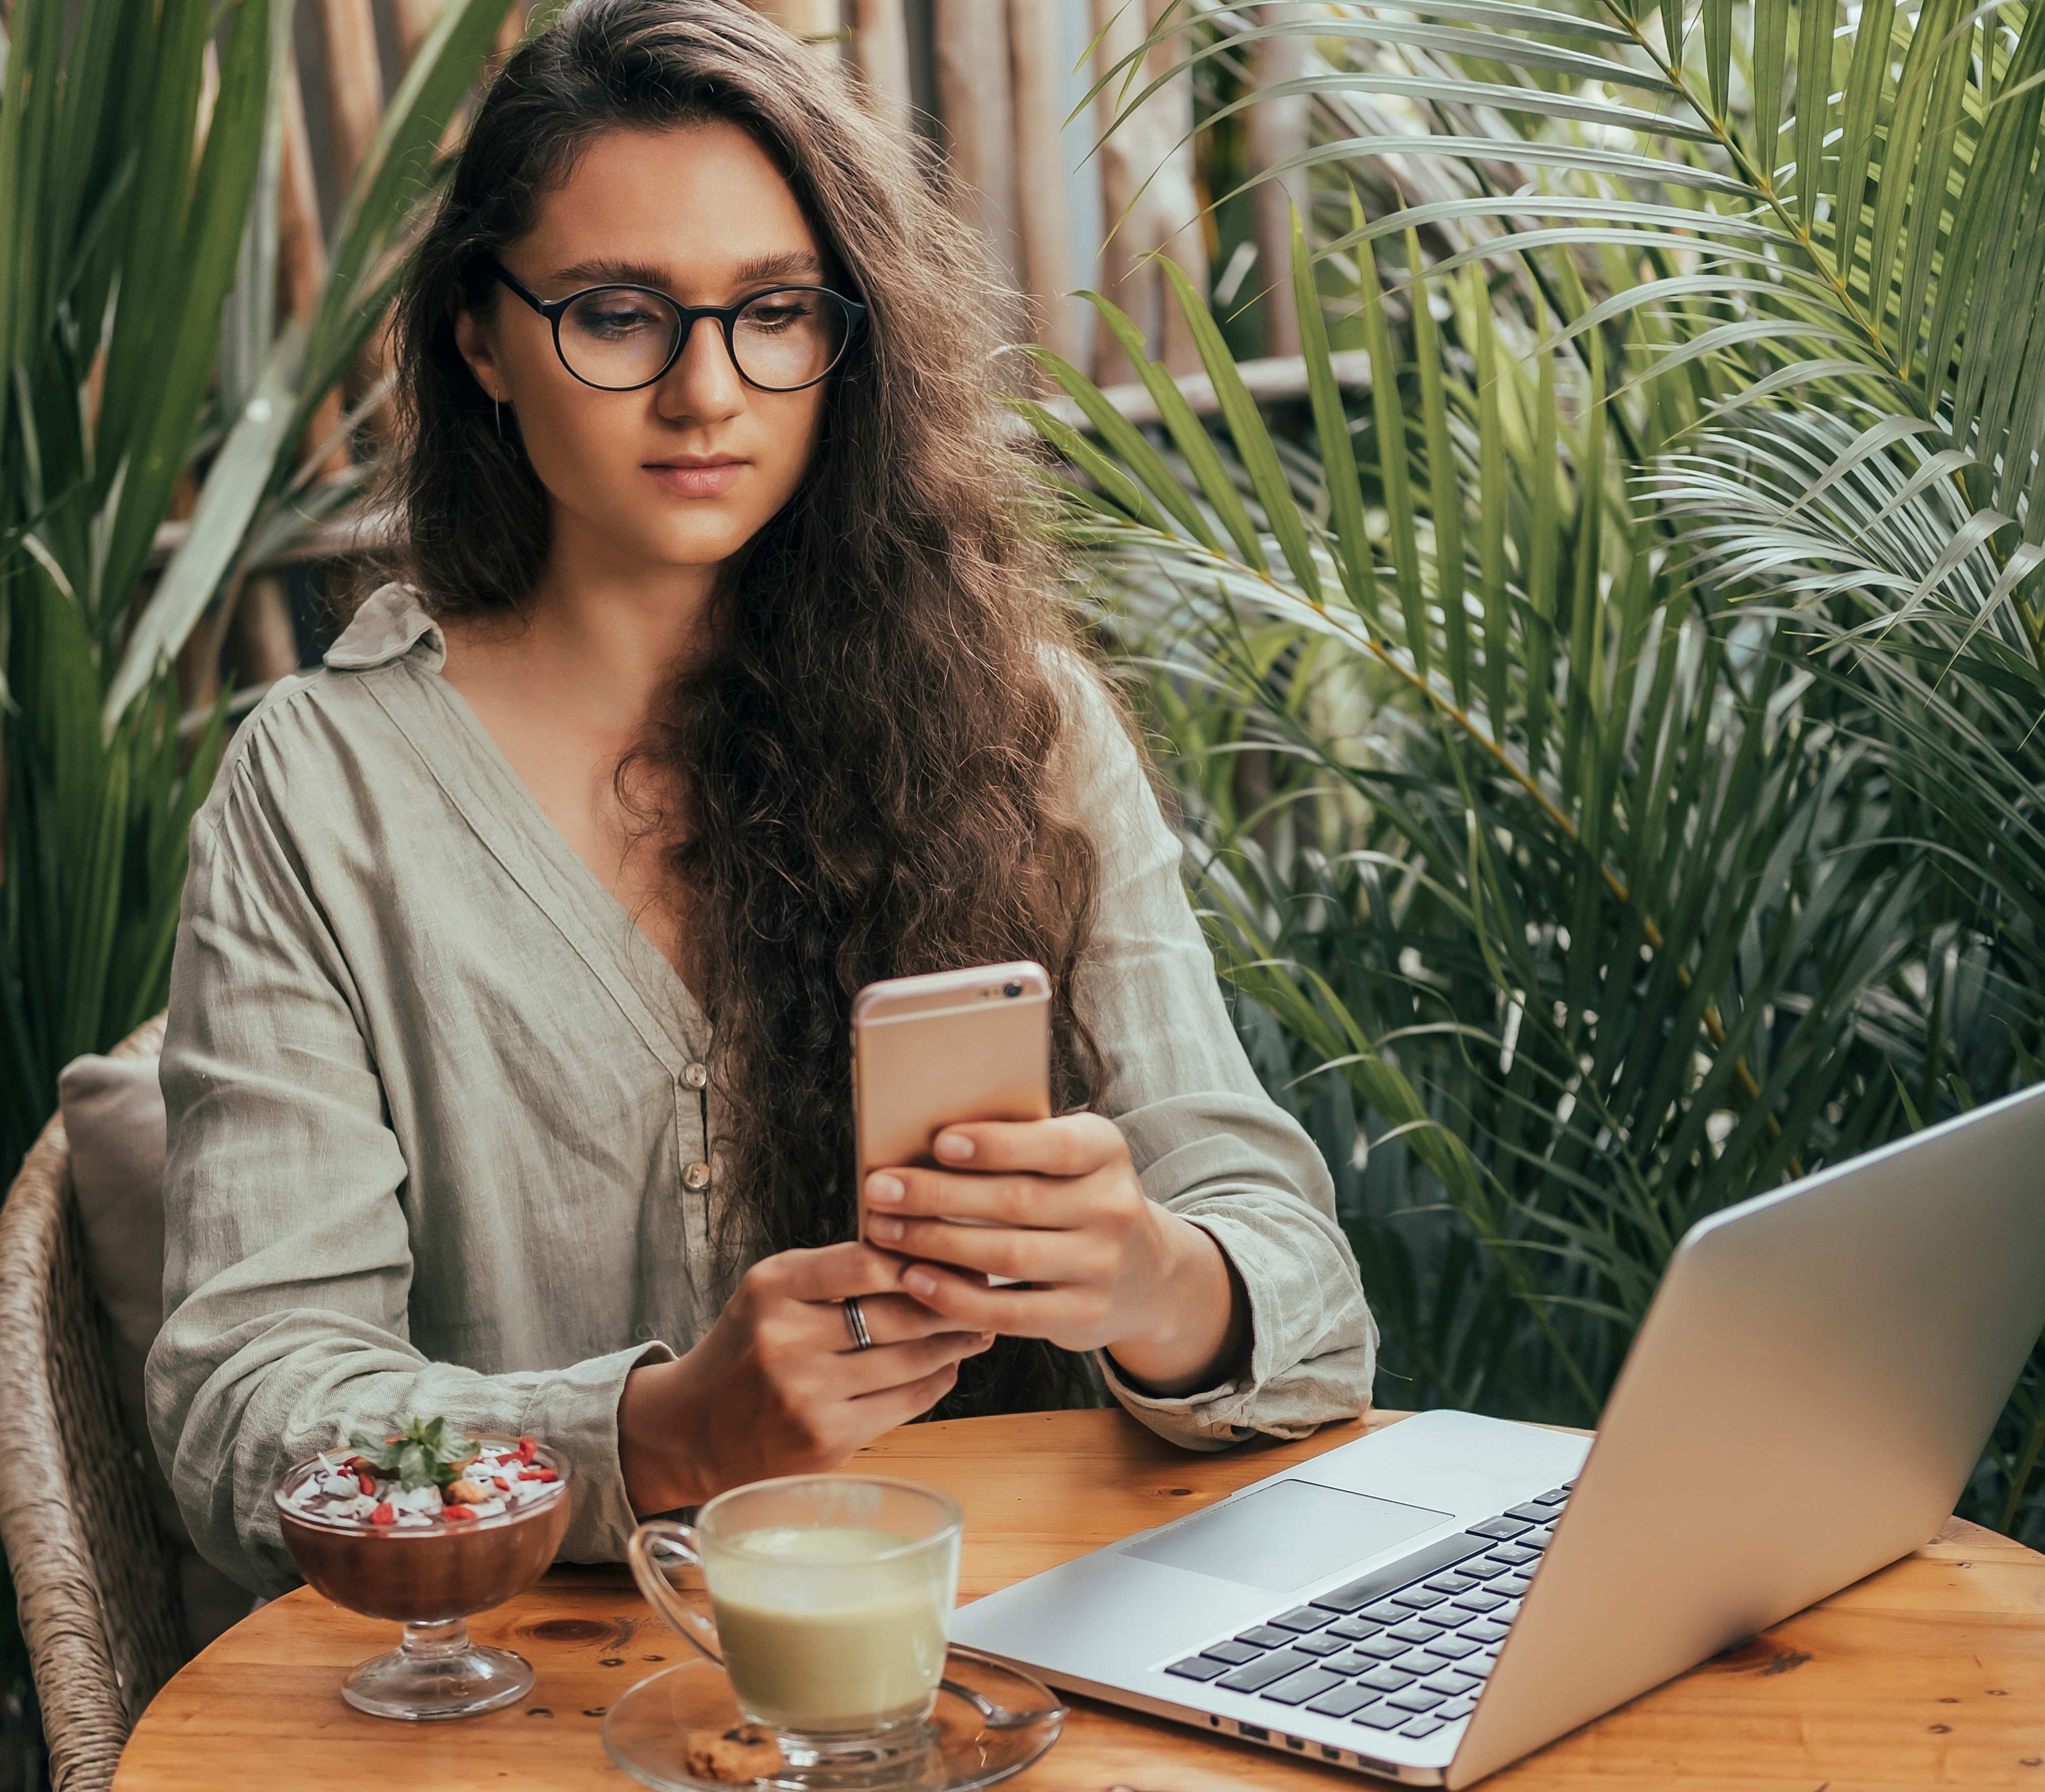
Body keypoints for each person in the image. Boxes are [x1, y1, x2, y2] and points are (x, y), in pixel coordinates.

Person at [149, 0, 1375, 1590]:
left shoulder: (1024, 726)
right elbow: (248, 1422)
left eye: (776, 312)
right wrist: (657, 1436)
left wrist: (1149, 1278)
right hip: (533, 1717)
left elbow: (1312, 1307)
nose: (707, 393)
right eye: (616, 314)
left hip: (1008, 1659)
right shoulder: (323, 801)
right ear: (481, 337)